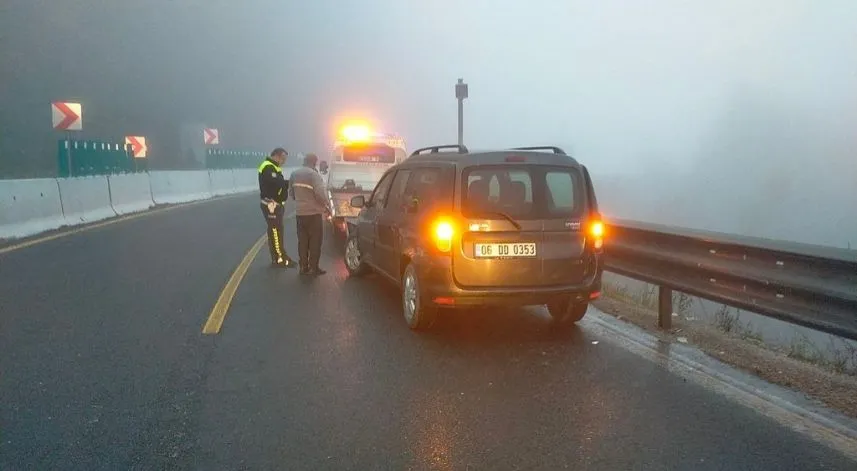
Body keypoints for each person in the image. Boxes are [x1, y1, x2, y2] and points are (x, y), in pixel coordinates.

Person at [289, 153, 332, 275]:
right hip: (313, 214)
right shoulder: (314, 175)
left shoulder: (294, 174)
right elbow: (320, 194)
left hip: (300, 213)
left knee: (302, 241)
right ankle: (314, 267)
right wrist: (327, 205)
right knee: (315, 241)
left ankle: (303, 266)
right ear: (314, 162)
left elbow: (291, 193)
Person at [259, 148, 296, 269]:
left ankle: (277, 258)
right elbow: (277, 183)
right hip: (271, 205)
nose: (284, 161)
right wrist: (290, 183)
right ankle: (280, 259)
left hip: (275, 204)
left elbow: (279, 182)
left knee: (275, 230)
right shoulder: (268, 167)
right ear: (276, 156)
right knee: (276, 231)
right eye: (283, 158)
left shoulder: (273, 167)